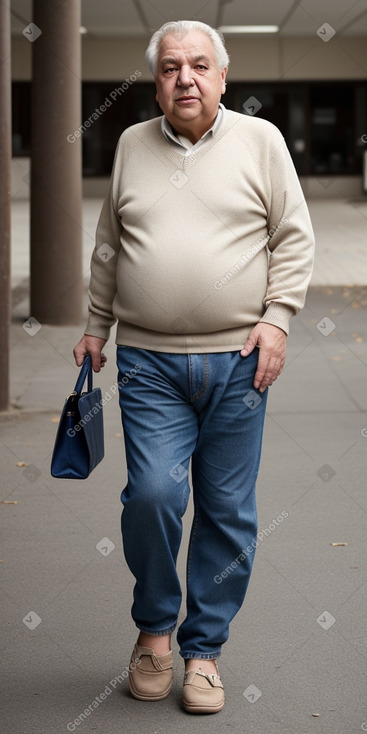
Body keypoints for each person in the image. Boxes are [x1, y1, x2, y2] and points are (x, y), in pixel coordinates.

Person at [73, 19, 315, 714]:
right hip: (149, 361)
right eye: (171, 67)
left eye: (199, 65)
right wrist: (95, 327)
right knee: (151, 495)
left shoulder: (261, 142)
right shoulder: (130, 144)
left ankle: (202, 652)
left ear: (222, 75)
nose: (185, 78)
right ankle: (154, 632)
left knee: (227, 511)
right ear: (155, 82)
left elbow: (292, 236)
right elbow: (111, 246)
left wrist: (277, 319)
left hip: (240, 362)